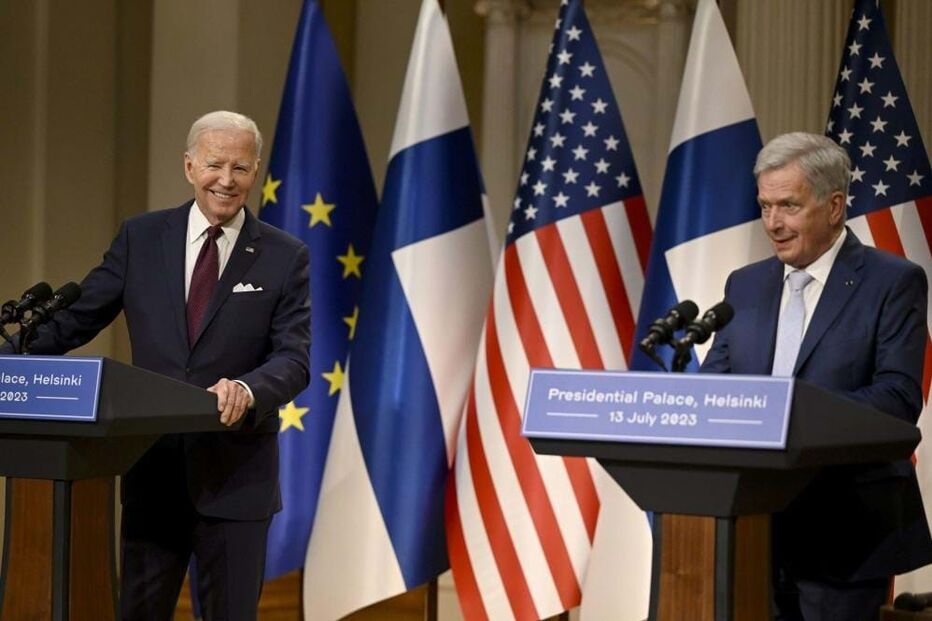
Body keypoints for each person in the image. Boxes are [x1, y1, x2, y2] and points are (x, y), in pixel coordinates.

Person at [16, 111, 310, 620]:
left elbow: (293, 356)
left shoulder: (284, 256)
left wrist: (248, 387)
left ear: (256, 170)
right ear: (189, 165)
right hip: (152, 475)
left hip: (236, 481)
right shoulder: (142, 238)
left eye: (240, 168)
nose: (226, 180)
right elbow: (76, 319)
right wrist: (10, 357)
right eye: (215, 164)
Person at [701, 132, 932, 620]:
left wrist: (789, 413)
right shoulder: (745, 285)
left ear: (833, 207)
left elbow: (898, 397)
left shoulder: (892, 282)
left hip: (845, 532)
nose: (773, 224)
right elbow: (714, 392)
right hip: (751, 529)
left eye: (788, 205)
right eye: (765, 206)